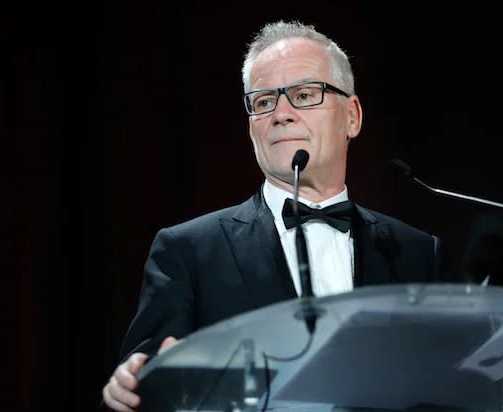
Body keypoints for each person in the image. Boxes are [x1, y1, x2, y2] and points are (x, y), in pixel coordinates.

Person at [102, 20, 441, 411]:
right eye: (263, 102)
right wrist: (129, 391)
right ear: (251, 129)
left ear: (352, 115)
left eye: (303, 94)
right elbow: (141, 389)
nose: (281, 114)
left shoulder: (416, 252)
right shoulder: (188, 252)